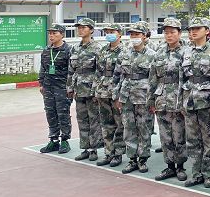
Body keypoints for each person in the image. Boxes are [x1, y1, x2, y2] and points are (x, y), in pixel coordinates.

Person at [113, 21, 157, 173]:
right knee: (129, 128)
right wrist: (116, 95)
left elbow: (155, 79)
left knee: (144, 127)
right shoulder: (124, 53)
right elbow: (117, 76)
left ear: (144, 36)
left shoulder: (152, 55)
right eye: (131, 35)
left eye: (137, 34)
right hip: (126, 96)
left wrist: (153, 99)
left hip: (144, 96)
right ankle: (132, 159)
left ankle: (143, 158)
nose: (134, 37)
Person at [148, 17, 188, 181]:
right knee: (165, 136)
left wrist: (186, 101)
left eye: (172, 32)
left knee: (179, 135)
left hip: (178, 98)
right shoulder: (159, 52)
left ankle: (180, 166)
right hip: (161, 98)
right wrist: (150, 99)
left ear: (179, 33)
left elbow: (188, 78)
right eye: (166, 32)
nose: (169, 35)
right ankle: (169, 166)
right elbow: (153, 77)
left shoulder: (187, 51)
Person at [181, 17, 210, 188]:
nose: (193, 32)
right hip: (189, 101)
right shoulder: (186, 51)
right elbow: (181, 79)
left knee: (209, 139)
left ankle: (209, 173)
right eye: (191, 29)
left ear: (206, 30)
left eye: (197, 28)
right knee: (192, 140)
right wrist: (181, 100)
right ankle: (196, 173)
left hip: (206, 101)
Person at [67, 17, 102, 161]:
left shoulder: (97, 48)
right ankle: (86, 148)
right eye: (79, 27)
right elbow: (71, 70)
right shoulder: (75, 48)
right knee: (82, 119)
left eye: (84, 27)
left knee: (94, 120)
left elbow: (100, 72)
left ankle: (94, 149)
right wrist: (69, 87)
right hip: (79, 89)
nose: (80, 30)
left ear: (91, 30)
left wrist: (96, 91)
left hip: (91, 90)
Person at [39, 23, 73, 154]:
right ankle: (53, 140)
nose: (51, 35)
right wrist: (41, 83)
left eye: (54, 33)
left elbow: (72, 70)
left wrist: (70, 88)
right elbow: (43, 68)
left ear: (62, 34)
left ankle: (65, 140)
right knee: (50, 113)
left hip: (62, 88)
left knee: (63, 113)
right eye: (50, 33)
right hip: (48, 87)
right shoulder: (46, 50)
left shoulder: (69, 50)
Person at [94, 24, 125, 167]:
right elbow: (98, 72)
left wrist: (119, 93)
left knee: (119, 124)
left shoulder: (125, 51)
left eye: (112, 32)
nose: (109, 34)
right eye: (107, 32)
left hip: (116, 91)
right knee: (106, 124)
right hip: (102, 91)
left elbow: (124, 74)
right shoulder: (102, 50)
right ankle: (109, 153)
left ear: (119, 34)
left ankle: (118, 153)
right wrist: (95, 89)